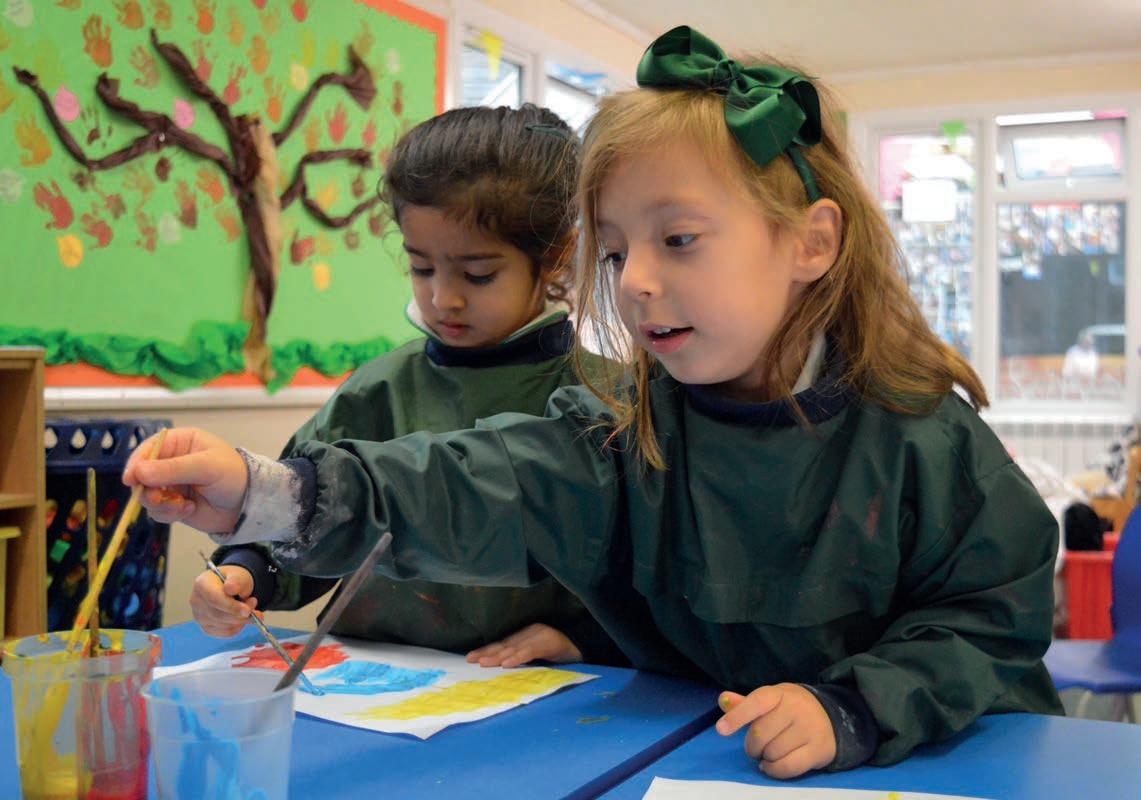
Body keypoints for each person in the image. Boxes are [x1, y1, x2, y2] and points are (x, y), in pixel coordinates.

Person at [126, 26, 1062, 778]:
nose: (635, 281)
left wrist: (853, 707)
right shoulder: (625, 431)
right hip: (698, 765)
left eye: (678, 239)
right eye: (614, 252)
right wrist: (264, 493)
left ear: (810, 243)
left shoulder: (919, 434)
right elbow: (467, 481)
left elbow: (988, 617)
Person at [189, 104, 625, 669]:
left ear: (557, 256)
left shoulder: (605, 399)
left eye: (478, 274)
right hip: (368, 680)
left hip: (537, 689)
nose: (444, 298)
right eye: (421, 268)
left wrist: (586, 638)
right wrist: (243, 572)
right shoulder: (378, 390)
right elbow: (298, 521)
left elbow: (647, 575)